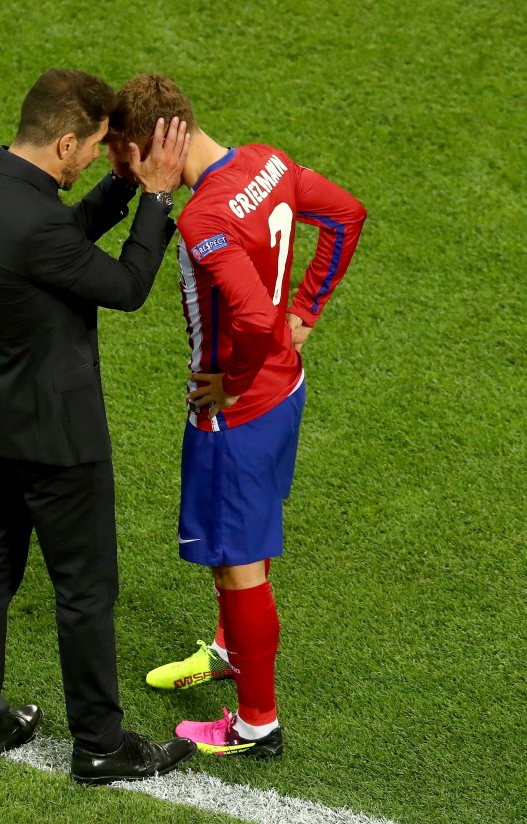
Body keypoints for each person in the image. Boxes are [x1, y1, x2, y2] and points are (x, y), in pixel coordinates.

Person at [0, 68, 196, 784]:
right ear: (62, 142)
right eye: (90, 151)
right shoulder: (40, 223)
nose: (91, 160)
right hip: (55, 437)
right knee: (85, 589)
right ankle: (99, 744)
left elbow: (56, 249)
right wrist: (157, 195)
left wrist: (118, 186)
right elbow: (124, 286)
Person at [108, 73, 367, 757]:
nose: (124, 174)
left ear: (153, 143)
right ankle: (229, 651)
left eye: (122, 158)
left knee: (237, 564)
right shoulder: (267, 160)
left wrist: (233, 383)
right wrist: (306, 312)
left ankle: (257, 724)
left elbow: (252, 316)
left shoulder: (203, 218)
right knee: (239, 550)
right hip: (288, 391)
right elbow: (346, 214)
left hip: (238, 418)